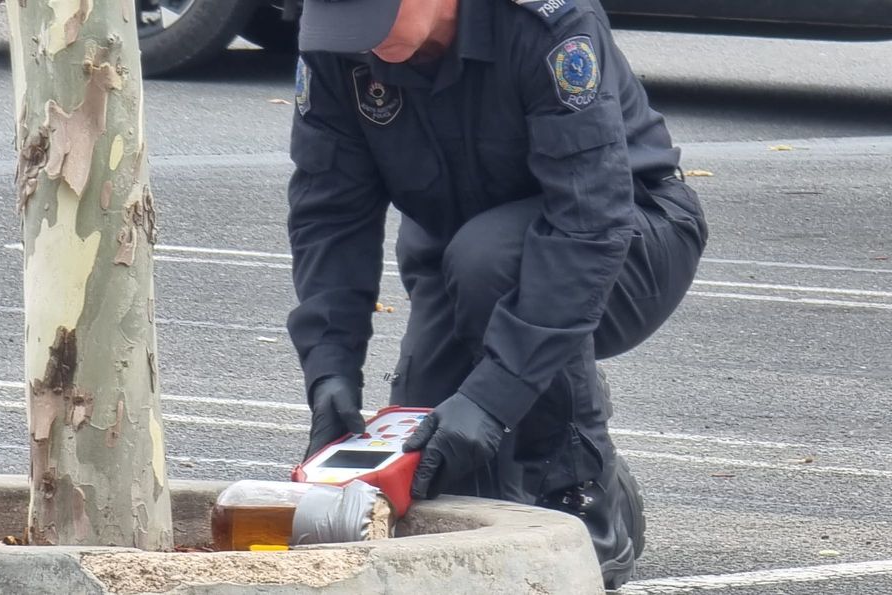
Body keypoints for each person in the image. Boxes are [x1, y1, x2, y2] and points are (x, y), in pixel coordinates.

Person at [285, 0, 708, 588]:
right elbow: (330, 215)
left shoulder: (548, 25)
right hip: (459, 254)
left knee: (491, 269)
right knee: (431, 469)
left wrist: (492, 399)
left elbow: (590, 226)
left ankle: (584, 489)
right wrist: (329, 373)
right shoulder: (339, 46)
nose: (365, 43)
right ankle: (543, 451)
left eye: (377, 19)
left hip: (630, 237)